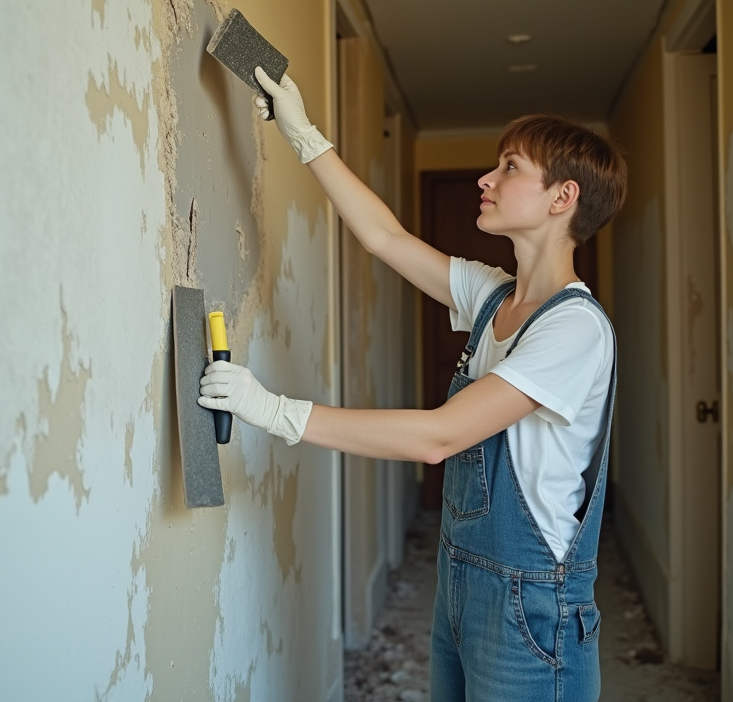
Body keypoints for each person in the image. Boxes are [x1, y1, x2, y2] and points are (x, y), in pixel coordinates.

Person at [198, 67, 627, 701]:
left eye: (509, 167)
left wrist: (275, 411)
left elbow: (438, 437)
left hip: (531, 607)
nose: (487, 178)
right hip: (459, 576)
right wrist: (302, 131)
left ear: (563, 197)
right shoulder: (491, 296)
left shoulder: (576, 330)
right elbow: (383, 237)